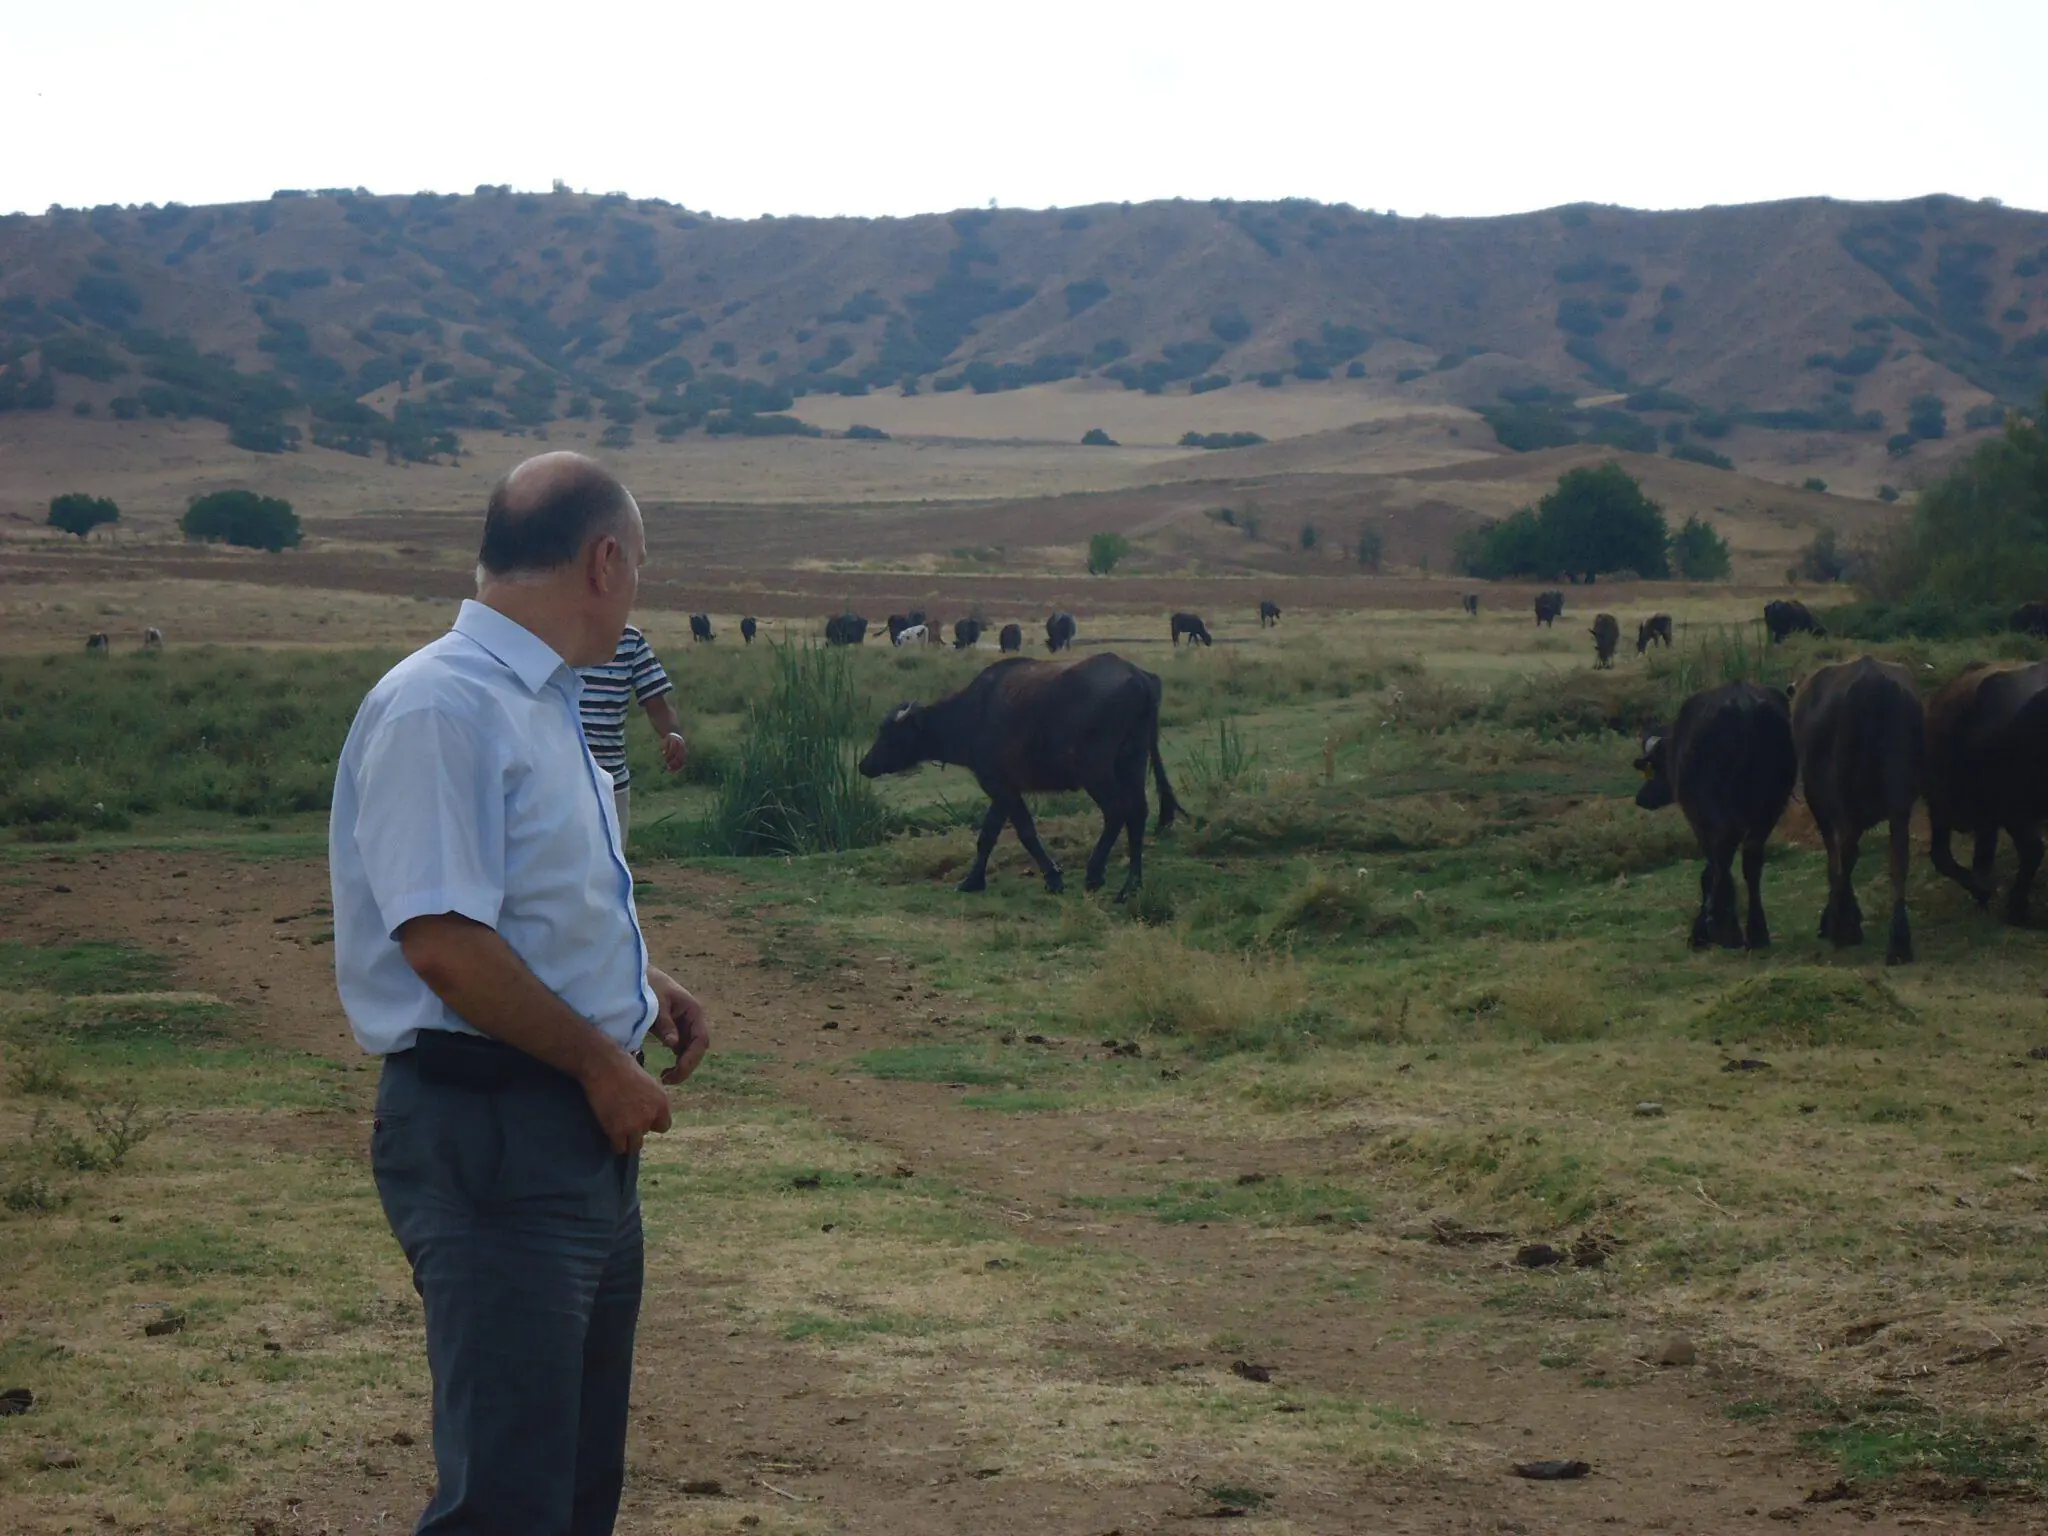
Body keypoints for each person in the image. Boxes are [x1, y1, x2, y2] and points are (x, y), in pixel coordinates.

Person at [328, 452, 711, 1535]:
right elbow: (443, 943)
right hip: (499, 1129)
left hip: (565, 1125)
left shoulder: (536, 700)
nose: (636, 583)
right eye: (636, 563)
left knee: (571, 1483)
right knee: (508, 1498)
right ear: (602, 562)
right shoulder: (442, 707)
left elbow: (514, 909)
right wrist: (600, 1059)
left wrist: (635, 986)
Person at [578, 625, 687, 840]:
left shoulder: (629, 639)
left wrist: (673, 736)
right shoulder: (545, 631)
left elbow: (658, 707)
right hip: (552, 784)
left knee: (610, 869)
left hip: (611, 784)